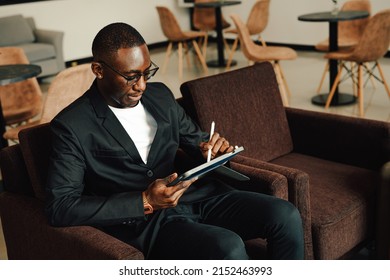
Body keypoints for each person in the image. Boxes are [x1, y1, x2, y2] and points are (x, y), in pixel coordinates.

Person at [45, 22, 304, 260]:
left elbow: (196, 141)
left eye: (147, 73)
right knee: (228, 246)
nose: (142, 85)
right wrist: (144, 200)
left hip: (198, 197)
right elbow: (61, 207)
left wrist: (211, 151)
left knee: (285, 215)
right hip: (147, 224)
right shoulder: (71, 126)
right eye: (132, 76)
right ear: (98, 70)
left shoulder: (161, 97)